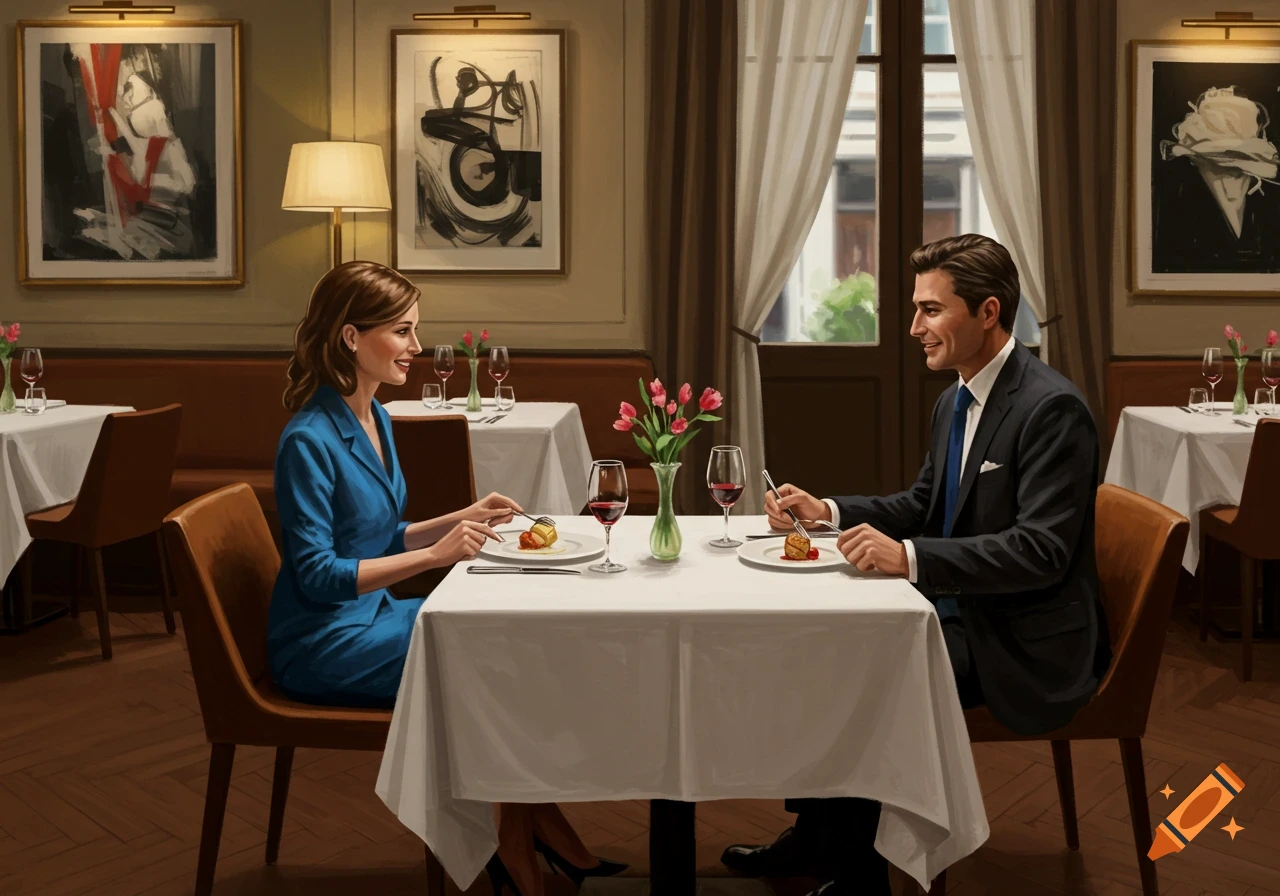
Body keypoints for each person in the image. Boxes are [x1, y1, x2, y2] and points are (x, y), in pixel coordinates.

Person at [721, 235, 1111, 895]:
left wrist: (907, 557)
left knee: (871, 672)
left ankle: (861, 874)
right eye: (915, 309)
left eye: (931, 310)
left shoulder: (1052, 409)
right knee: (828, 652)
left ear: (988, 312)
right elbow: (925, 504)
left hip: (1022, 637)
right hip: (962, 607)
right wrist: (828, 510)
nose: (913, 328)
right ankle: (818, 840)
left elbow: (1040, 553)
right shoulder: (956, 398)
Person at [269, 260, 624, 896]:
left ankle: (530, 825)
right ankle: (515, 835)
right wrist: (436, 556)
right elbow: (319, 575)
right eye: (401, 331)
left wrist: (461, 517)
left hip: (375, 616)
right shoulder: (308, 440)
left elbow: (377, 533)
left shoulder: (374, 417)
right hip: (325, 642)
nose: (415, 345)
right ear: (351, 337)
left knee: (512, 638)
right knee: (490, 658)